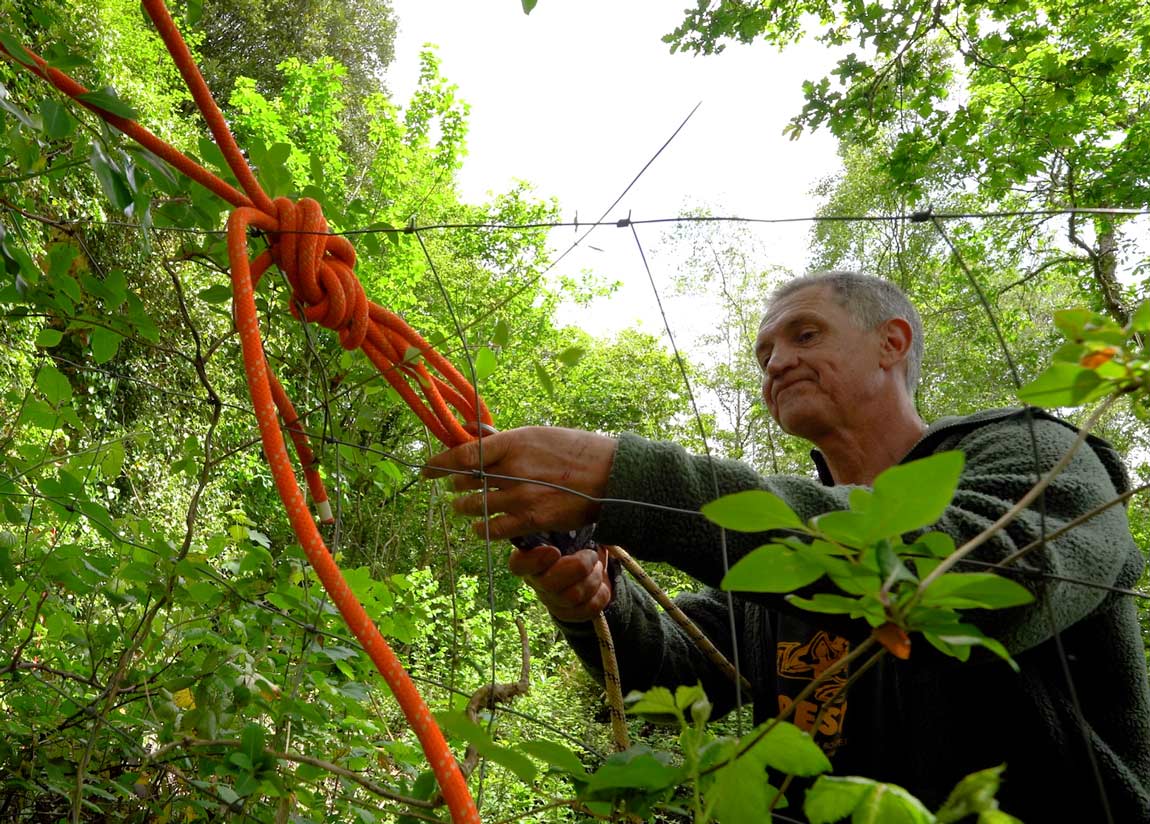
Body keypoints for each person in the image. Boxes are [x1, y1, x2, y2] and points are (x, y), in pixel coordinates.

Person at [424, 271, 1150, 821]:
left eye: (804, 335)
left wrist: (626, 478)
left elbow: (981, 574)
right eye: (765, 352)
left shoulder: (1035, 455)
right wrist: (592, 609)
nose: (775, 364)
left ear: (892, 342)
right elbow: (669, 678)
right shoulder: (777, 564)